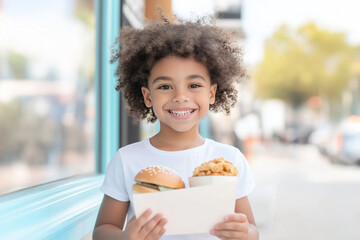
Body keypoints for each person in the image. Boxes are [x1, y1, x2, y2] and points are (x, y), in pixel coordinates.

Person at [93, 15, 259, 240]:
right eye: (165, 86)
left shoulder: (231, 159)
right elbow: (102, 230)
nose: (181, 97)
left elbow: (252, 230)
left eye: (193, 85)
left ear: (211, 93)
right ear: (147, 96)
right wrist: (124, 238)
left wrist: (245, 233)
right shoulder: (126, 160)